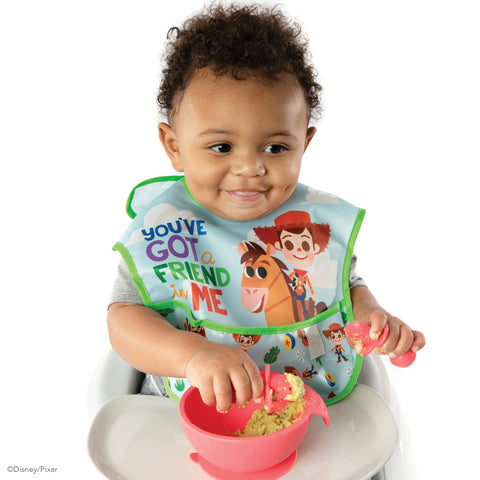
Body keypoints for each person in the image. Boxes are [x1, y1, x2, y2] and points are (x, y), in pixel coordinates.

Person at [107, 2, 425, 414]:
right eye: (221, 147)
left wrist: (372, 316)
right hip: (186, 406)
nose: (250, 168)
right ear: (174, 146)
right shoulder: (162, 231)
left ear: (303, 144)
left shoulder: (308, 225)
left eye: (275, 148)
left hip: (310, 401)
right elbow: (124, 320)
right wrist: (191, 355)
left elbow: (343, 286)